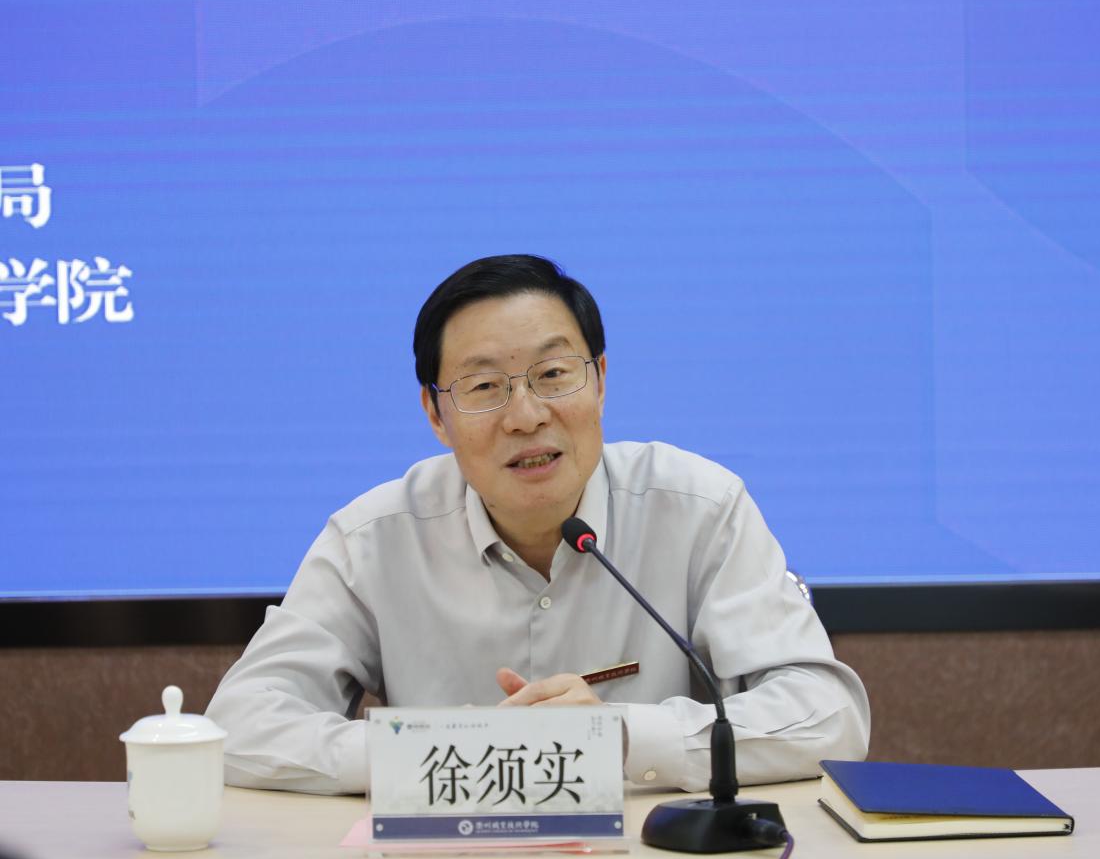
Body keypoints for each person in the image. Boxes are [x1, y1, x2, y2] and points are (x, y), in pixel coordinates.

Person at [206, 254, 870, 794]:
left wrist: (619, 738)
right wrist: (441, 752)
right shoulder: (373, 538)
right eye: (484, 387)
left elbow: (829, 714)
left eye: (553, 374)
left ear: (600, 380)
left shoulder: (699, 508)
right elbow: (240, 723)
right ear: (436, 415)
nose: (526, 416)